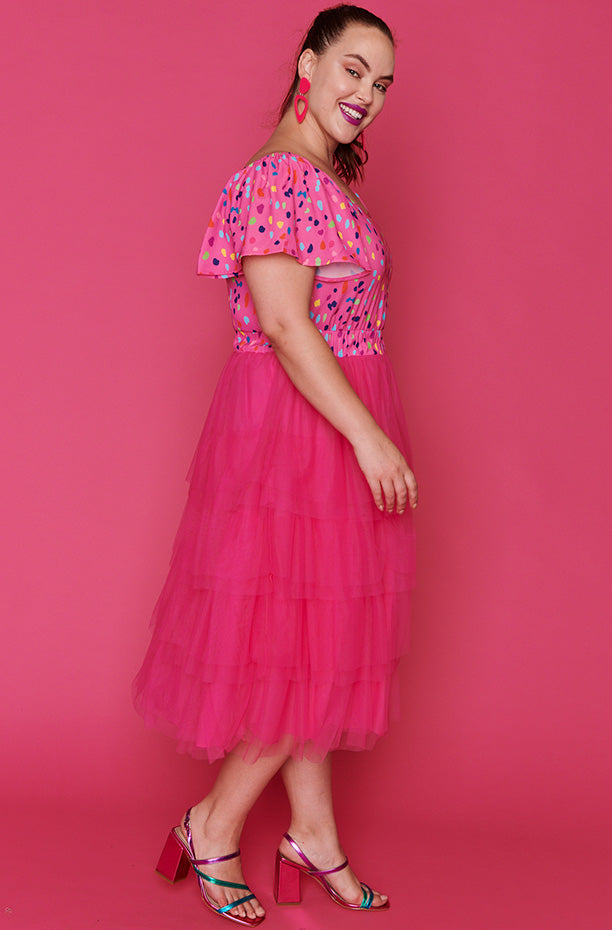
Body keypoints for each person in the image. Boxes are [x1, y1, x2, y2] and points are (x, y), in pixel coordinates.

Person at [132, 4, 418, 924]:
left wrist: (364, 432)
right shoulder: (275, 179)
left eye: (381, 83)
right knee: (294, 651)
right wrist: (369, 437)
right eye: (353, 69)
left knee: (320, 639)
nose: (367, 94)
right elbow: (287, 327)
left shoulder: (323, 179)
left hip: (328, 426)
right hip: (295, 436)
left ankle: (313, 834)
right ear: (308, 61)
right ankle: (212, 823)